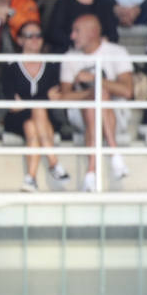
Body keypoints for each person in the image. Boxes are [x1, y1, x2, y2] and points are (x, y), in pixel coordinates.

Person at [59, 13, 133, 190]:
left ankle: (91, 172)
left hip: (116, 114)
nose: (72, 36)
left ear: (92, 32)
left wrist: (94, 79)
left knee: (101, 96)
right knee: (96, 99)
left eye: (77, 31)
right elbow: (64, 96)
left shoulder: (116, 52)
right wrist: (93, 93)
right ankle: (115, 155)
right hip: (81, 116)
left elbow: (127, 91)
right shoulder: (69, 57)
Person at [1, 20, 71, 191]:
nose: (35, 39)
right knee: (38, 108)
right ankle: (54, 163)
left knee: (32, 124)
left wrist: (26, 101)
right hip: (16, 119)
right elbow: (12, 104)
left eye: (38, 36)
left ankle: (31, 179)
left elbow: (56, 95)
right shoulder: (11, 65)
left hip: (44, 120)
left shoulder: (51, 65)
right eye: (29, 36)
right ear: (20, 40)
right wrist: (43, 98)